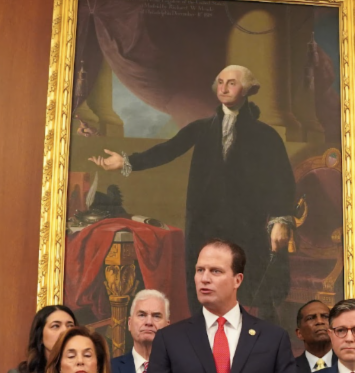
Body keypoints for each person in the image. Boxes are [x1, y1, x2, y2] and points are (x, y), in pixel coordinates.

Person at [92, 64, 295, 319]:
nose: (223, 88)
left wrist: (280, 219)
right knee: (204, 285)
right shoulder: (202, 127)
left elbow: (281, 179)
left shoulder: (266, 135)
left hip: (246, 224)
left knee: (247, 287)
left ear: (247, 89)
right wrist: (126, 161)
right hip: (205, 222)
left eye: (231, 83)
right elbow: (168, 150)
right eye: (220, 82)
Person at [141, 239, 301, 373]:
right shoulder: (170, 339)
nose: (204, 279)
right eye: (200, 270)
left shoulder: (273, 339)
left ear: (237, 280)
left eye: (215, 271)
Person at [295, 299, 334, 373]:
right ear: (299, 333)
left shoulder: (349, 364)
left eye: (325, 316)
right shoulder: (288, 370)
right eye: (311, 318)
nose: (320, 321)